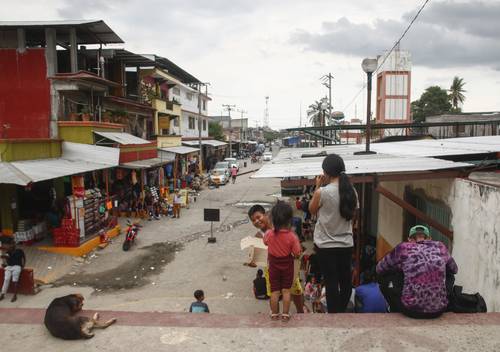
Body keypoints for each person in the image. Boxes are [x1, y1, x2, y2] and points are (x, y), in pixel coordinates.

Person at [309, 154, 358, 313]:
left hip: (325, 246)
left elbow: (311, 210)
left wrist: (317, 186)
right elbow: (352, 217)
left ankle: (334, 315)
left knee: (331, 282)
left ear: (326, 172)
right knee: (345, 282)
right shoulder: (352, 192)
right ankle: (342, 311)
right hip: (345, 244)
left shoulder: (322, 192)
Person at [377, 225, 458, 319]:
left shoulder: (403, 248)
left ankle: (394, 308)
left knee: (385, 275)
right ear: (430, 239)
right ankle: (439, 299)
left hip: (411, 310)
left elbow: (380, 268)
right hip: (439, 310)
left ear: (409, 239)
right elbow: (454, 269)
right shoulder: (440, 247)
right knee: (450, 275)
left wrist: (400, 267)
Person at [247, 205, 306, 314]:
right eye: (253, 220)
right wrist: (252, 263)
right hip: (270, 270)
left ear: (265, 214)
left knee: (296, 291)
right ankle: (276, 315)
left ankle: (300, 312)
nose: (256, 221)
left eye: (258, 217)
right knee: (274, 294)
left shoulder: (280, 226)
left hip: (288, 266)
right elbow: (255, 259)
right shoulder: (258, 236)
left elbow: (295, 246)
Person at [263, 201, 302, 321]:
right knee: (286, 291)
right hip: (287, 266)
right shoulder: (292, 236)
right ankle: (285, 314)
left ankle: (274, 314)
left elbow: (265, 242)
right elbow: (297, 253)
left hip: (273, 266)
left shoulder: (269, 234)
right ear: (289, 220)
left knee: (274, 291)